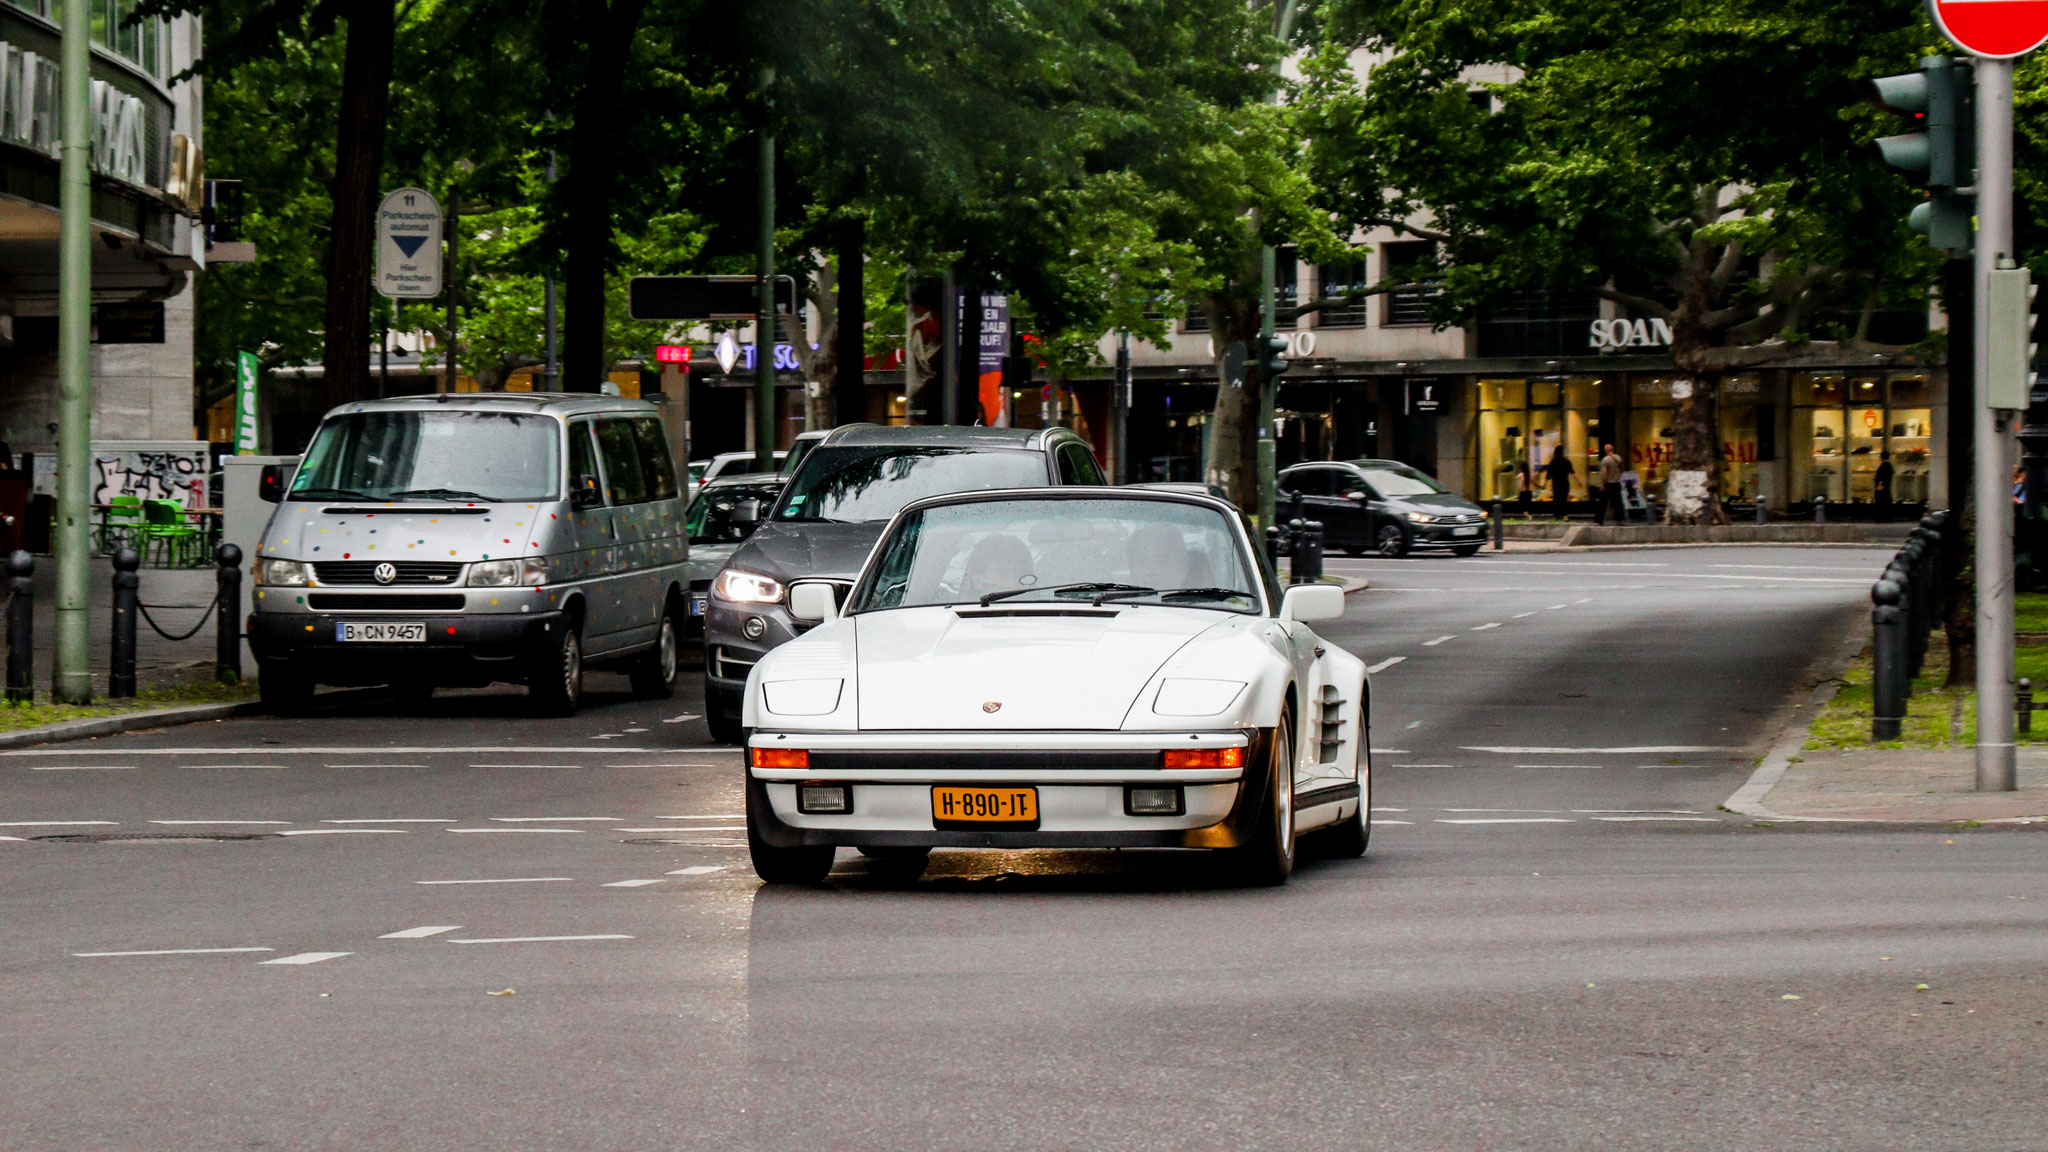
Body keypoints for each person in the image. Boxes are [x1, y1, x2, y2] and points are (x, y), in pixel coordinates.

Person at [1595, 443, 1623, 525]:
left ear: (1605, 450)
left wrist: (1602, 483)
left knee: (1603, 502)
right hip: (1617, 482)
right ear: (1612, 449)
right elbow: (1621, 469)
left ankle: (1599, 519)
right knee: (1617, 502)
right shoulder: (1618, 458)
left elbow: (1604, 472)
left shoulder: (1605, 460)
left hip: (1608, 483)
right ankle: (1619, 519)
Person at [1544, 446, 1574, 516]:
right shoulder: (1566, 462)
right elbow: (1572, 472)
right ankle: (1564, 513)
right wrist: (1579, 480)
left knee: (1557, 498)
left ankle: (1557, 513)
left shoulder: (1553, 462)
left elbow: (1548, 475)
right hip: (1564, 483)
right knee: (1564, 499)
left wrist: (1544, 484)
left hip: (1556, 484)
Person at [1872, 451, 1895, 522]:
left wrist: (1880, 484)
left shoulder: (1884, 465)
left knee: (1881, 502)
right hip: (1885, 487)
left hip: (1882, 487)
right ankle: (1886, 517)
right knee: (1886, 501)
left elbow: (1882, 477)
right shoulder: (1888, 465)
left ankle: (1882, 517)